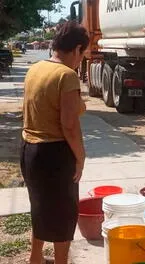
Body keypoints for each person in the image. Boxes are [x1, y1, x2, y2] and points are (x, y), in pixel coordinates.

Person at [20, 21, 89, 264]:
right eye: (82, 55)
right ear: (77, 49)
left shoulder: (35, 69)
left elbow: (43, 106)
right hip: (55, 155)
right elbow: (68, 125)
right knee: (63, 217)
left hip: (29, 150)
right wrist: (80, 158)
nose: (80, 61)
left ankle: (35, 258)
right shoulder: (66, 75)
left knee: (39, 209)